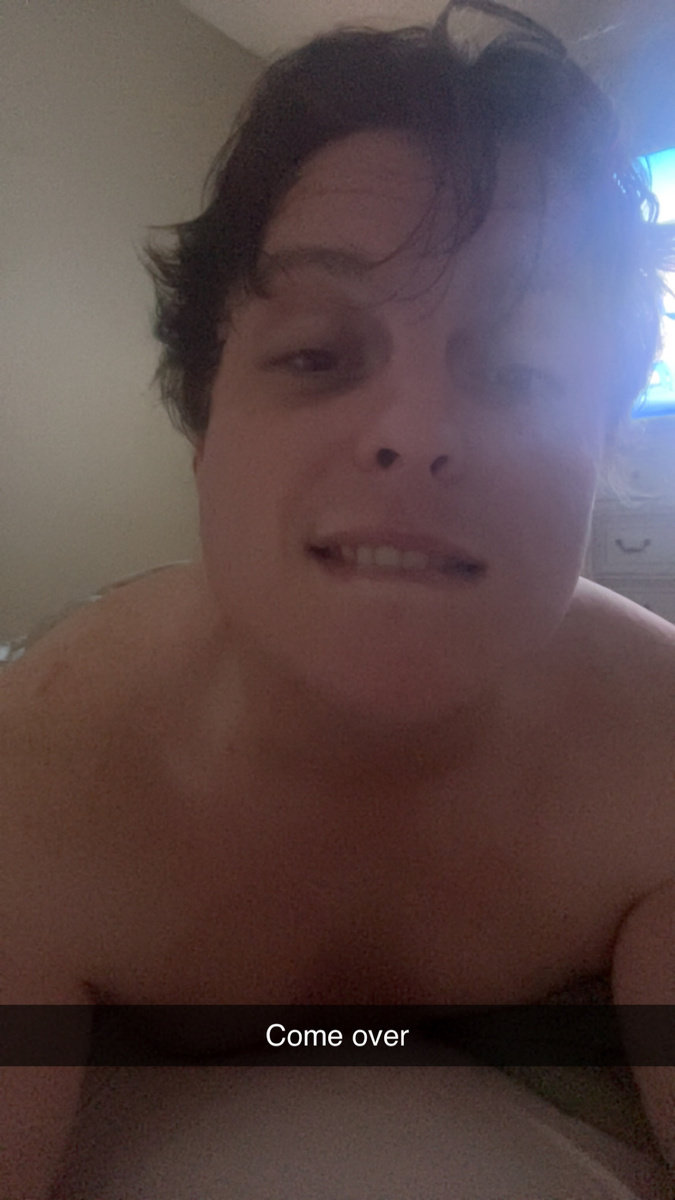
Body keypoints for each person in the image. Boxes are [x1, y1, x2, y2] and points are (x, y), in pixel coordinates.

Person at [2, 0, 675, 1195]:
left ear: (605, 440)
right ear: (204, 425)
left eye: (518, 368)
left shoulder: (657, 769)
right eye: (316, 355)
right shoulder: (35, 796)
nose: (414, 433)